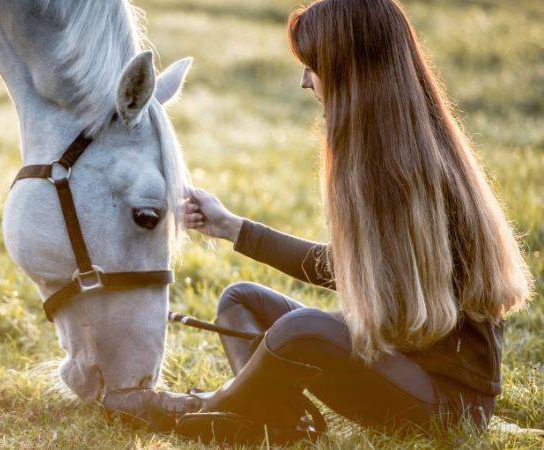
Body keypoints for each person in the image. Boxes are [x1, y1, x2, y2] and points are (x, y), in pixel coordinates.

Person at [102, 0, 533, 443]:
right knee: (241, 300)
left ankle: (200, 411)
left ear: (351, 71)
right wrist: (233, 228)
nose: (304, 81)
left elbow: (381, 291)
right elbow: (364, 268)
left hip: (443, 403)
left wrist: (321, 333)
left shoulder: (407, 169)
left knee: (301, 331)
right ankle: (274, 418)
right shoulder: (389, 149)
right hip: (400, 369)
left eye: (313, 66)